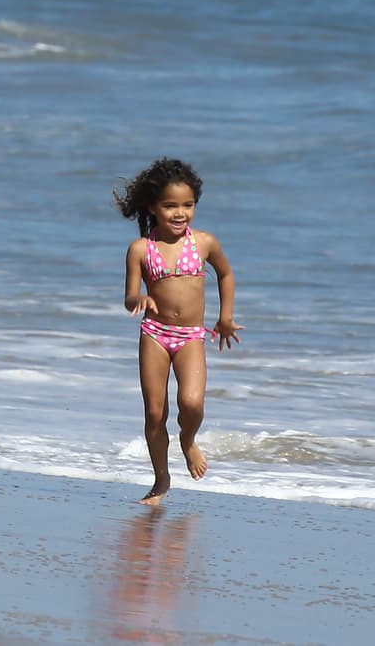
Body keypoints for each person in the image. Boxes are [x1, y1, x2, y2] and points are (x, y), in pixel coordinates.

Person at [115, 158, 242, 504]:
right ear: (153, 208)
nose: (180, 212)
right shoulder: (141, 249)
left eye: (187, 205)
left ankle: (188, 440)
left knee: (192, 403)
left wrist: (225, 318)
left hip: (190, 337)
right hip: (154, 333)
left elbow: (226, 275)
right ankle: (161, 480)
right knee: (155, 413)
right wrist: (137, 298)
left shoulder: (204, 243)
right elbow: (128, 297)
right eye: (170, 205)